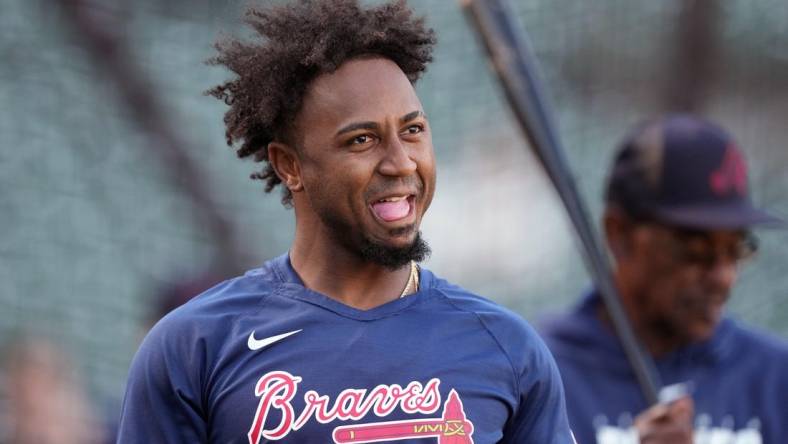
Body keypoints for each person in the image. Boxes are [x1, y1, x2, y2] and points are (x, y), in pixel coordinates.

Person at [116, 1, 574, 442]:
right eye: (362, 139)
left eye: (413, 130)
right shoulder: (193, 347)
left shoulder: (508, 347)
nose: (401, 163)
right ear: (289, 165)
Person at [540, 114, 788, 444]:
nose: (723, 277)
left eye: (735, 250)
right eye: (697, 250)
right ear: (619, 235)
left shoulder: (773, 378)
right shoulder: (540, 371)